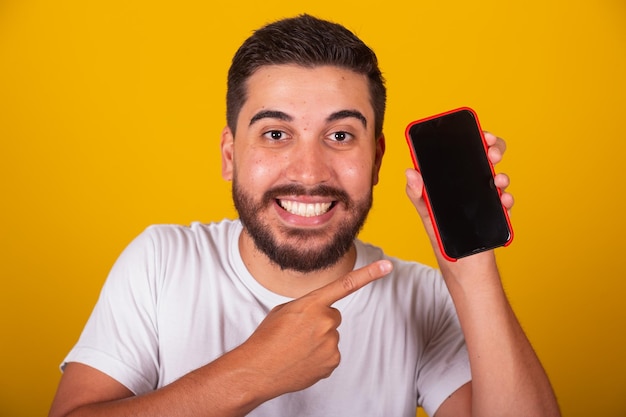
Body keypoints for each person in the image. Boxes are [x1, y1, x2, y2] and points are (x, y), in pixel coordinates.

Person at [49, 14, 561, 417]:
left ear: (377, 159)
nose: (310, 171)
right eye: (276, 133)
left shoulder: (420, 297)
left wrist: (471, 272)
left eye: (340, 136)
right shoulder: (160, 263)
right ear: (230, 155)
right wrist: (251, 373)